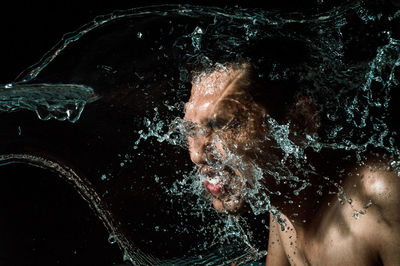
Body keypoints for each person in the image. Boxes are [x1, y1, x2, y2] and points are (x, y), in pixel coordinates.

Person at [183, 62, 400, 265]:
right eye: (191, 130)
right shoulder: (282, 200)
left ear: (301, 122)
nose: (197, 154)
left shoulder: (382, 197)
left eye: (222, 125)